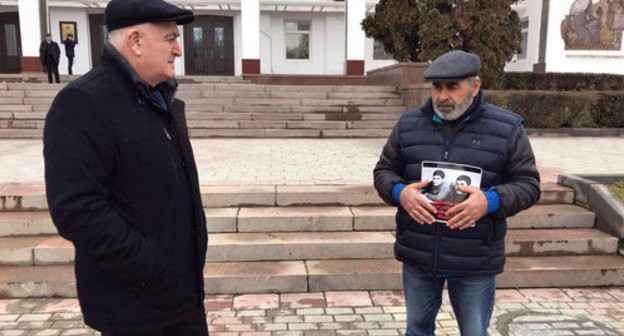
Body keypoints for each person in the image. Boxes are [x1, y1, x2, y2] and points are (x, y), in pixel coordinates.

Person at [43, 0, 208, 335]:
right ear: (135, 41)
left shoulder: (159, 98)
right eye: (170, 38)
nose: (178, 49)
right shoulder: (84, 103)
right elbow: (77, 209)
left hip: (182, 296)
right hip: (135, 309)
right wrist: (150, 264)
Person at [373, 50, 540, 336]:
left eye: (453, 87)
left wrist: (489, 201)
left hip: (474, 257)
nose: (442, 97)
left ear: (475, 86)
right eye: (437, 87)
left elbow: (528, 185)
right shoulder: (409, 125)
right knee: (417, 330)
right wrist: (401, 193)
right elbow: (383, 172)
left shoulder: (507, 127)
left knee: (474, 332)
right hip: (420, 252)